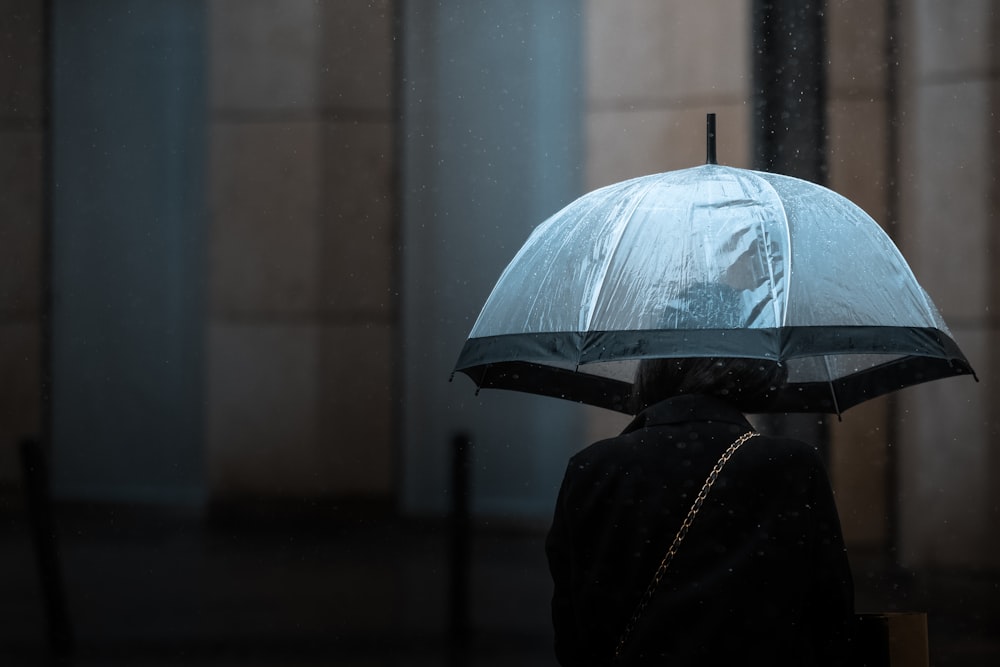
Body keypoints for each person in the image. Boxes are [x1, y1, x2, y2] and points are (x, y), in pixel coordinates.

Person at [545, 356, 855, 665]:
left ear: (652, 368)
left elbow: (572, 623)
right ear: (752, 370)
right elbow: (830, 614)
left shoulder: (592, 467)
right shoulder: (790, 465)